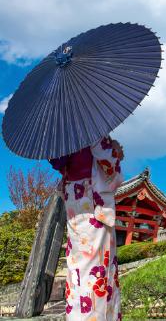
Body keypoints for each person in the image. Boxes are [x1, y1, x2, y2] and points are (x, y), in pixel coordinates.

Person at [49, 136, 124, 321]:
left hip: (74, 200)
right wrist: (116, 152)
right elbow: (107, 163)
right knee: (97, 268)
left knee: (78, 266)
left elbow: (61, 163)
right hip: (92, 200)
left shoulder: (61, 134)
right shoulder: (88, 128)